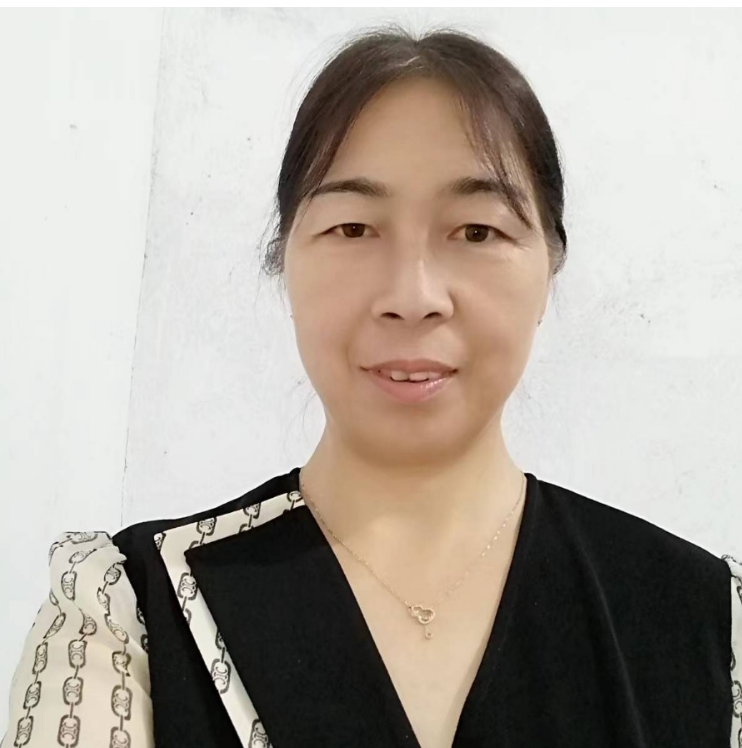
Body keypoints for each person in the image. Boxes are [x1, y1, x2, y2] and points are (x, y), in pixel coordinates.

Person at [2, 23, 741, 748]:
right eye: (354, 229)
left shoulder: (711, 629)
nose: (413, 297)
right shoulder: (128, 613)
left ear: (549, 266)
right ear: (284, 262)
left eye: (476, 231)